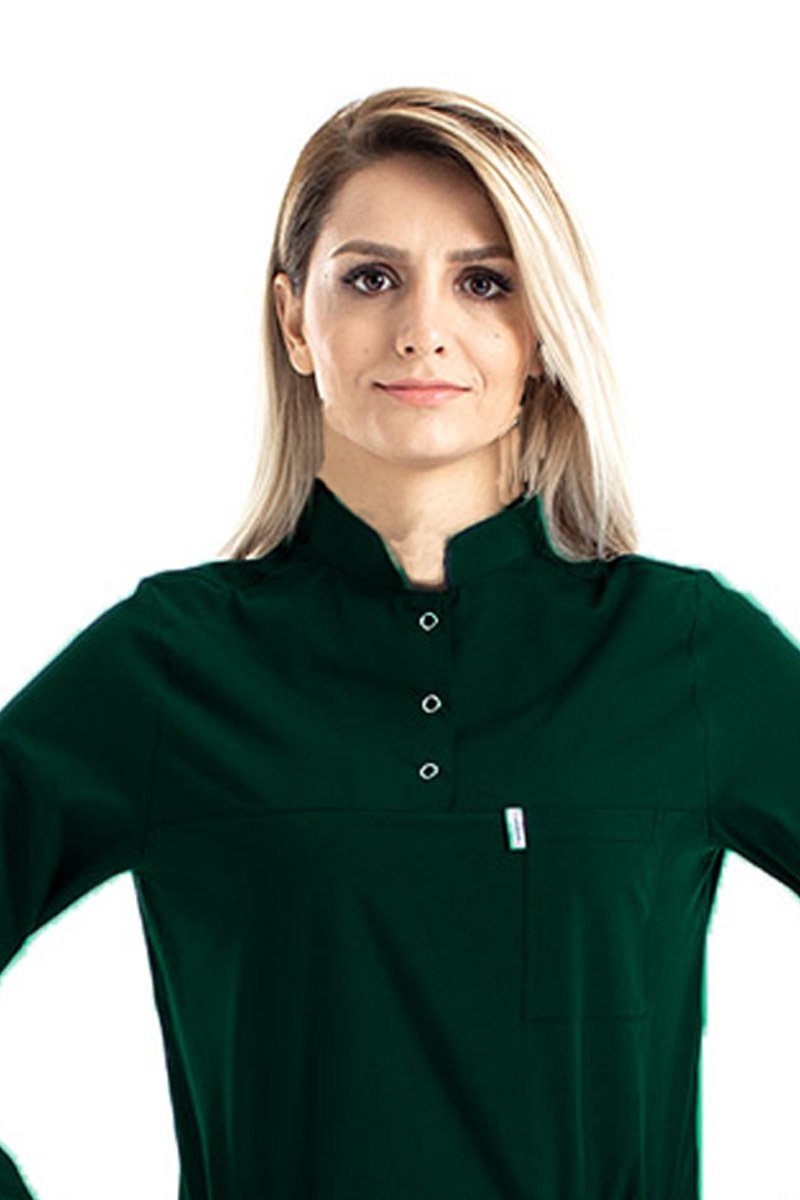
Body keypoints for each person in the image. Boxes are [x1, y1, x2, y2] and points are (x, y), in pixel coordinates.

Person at [1, 83, 798, 1200]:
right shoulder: (173, 665)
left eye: (484, 281)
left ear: (540, 333)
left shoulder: (682, 652)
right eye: (371, 278)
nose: (423, 328)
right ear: (296, 322)